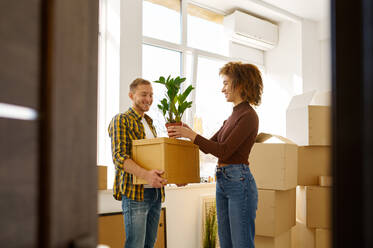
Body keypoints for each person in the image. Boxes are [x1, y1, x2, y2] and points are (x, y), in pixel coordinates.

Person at [168, 62, 263, 248]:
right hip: (224, 181)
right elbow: (207, 146)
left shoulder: (249, 116)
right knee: (226, 243)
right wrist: (189, 132)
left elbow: (224, 151)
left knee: (241, 243)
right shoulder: (231, 117)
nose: (223, 89)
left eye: (226, 83)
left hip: (239, 182)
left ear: (241, 84)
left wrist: (192, 135)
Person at [108, 78, 167, 248]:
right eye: (143, 94)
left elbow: (154, 158)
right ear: (131, 95)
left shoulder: (149, 123)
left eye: (151, 95)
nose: (148, 99)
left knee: (149, 245)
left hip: (155, 193)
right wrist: (146, 176)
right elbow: (119, 157)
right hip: (136, 194)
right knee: (136, 245)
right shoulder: (121, 120)